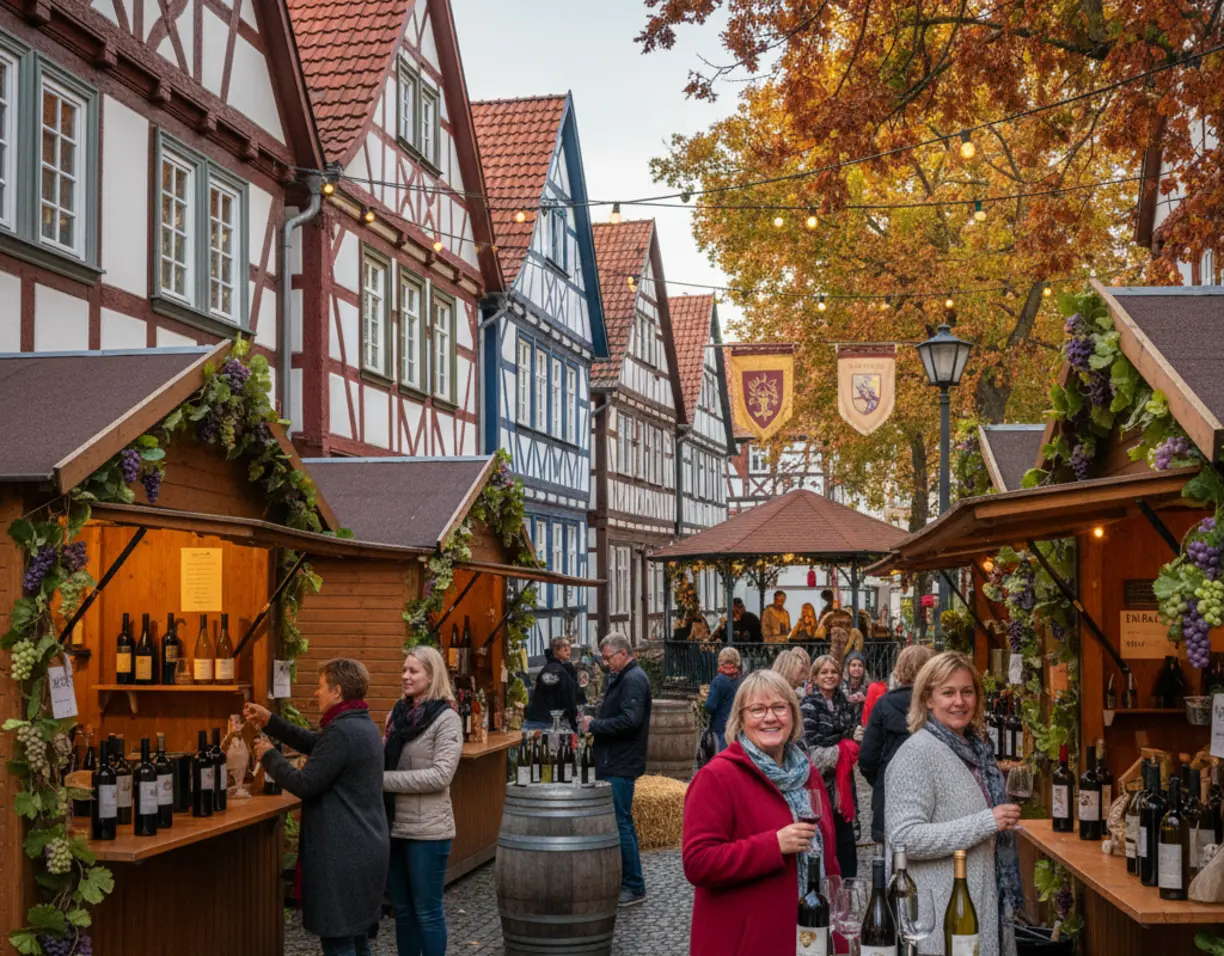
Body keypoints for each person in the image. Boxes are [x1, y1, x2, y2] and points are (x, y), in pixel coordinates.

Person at [682, 670, 840, 956]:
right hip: (745, 943)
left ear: (793, 715)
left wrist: (839, 938)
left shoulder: (808, 774)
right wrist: (773, 845)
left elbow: (829, 860)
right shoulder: (717, 777)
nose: (770, 717)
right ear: (741, 719)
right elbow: (697, 863)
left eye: (779, 707)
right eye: (757, 709)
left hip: (810, 938)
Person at [246, 660, 388, 956]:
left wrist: (270, 756)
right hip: (363, 845)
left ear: (336, 691)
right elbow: (316, 744)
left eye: (321, 686)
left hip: (343, 852)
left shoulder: (342, 731)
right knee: (357, 936)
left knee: (338, 940)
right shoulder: (359, 723)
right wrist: (271, 720)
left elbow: (305, 784)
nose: (315, 693)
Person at [885, 652, 1022, 956]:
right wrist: (987, 822)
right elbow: (903, 839)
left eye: (967, 691)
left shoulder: (977, 750)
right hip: (941, 916)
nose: (959, 701)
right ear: (927, 700)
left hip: (983, 902)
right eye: (947, 692)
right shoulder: (917, 754)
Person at [383, 646, 463, 956]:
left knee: (427, 912)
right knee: (402, 911)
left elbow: (441, 776)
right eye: (404, 669)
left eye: (413, 671)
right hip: (394, 826)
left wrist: (383, 781)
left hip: (428, 832)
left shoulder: (447, 719)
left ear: (432, 676)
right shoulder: (397, 713)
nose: (405, 676)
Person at [581, 633, 652, 906]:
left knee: (622, 823)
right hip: (615, 758)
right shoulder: (623, 677)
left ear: (624, 653)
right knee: (621, 822)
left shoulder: (633, 679)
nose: (606, 662)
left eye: (609, 657)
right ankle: (627, 880)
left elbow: (629, 721)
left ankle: (634, 885)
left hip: (621, 761)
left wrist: (595, 726)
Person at [858, 644, 936, 843]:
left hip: (890, 795)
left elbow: (867, 758)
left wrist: (882, 780)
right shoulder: (937, 705)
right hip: (932, 793)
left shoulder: (884, 704)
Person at [800, 655, 860, 877]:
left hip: (843, 783)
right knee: (824, 836)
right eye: (824, 672)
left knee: (846, 838)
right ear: (815, 677)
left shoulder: (844, 702)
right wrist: (841, 751)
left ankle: (848, 886)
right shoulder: (808, 706)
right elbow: (809, 750)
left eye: (833, 672)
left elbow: (851, 731)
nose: (829, 676)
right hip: (820, 784)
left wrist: (855, 739)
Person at [524, 636, 580, 732]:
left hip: (542, 719)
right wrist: (574, 722)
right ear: (556, 651)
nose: (569, 651)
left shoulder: (555, 668)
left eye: (569, 648)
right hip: (547, 721)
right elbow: (568, 696)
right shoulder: (556, 670)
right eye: (565, 648)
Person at [704, 646, 741, 749]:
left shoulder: (718, 680)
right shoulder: (740, 680)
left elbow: (710, 706)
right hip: (737, 725)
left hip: (720, 727)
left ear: (720, 661)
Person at [840, 650, 870, 723]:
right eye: (853, 665)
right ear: (848, 668)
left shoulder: (870, 688)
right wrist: (846, 700)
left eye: (860, 665)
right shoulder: (839, 686)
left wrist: (865, 700)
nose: (857, 668)